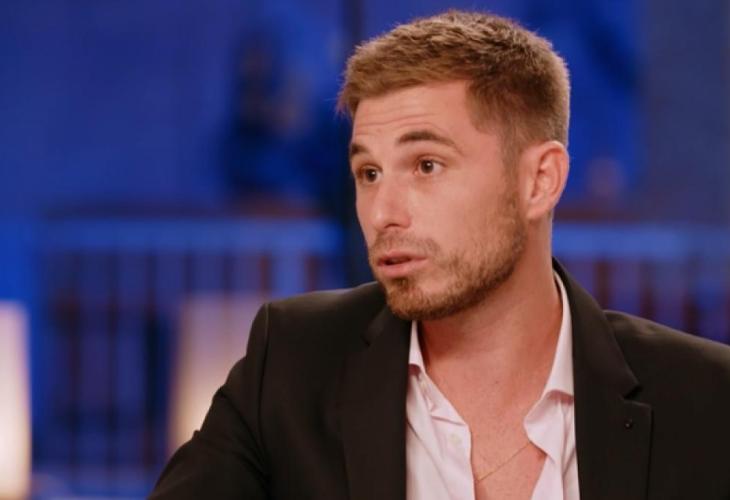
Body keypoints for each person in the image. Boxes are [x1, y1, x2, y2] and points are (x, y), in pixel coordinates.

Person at [150, 10, 730, 500]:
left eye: (426, 166)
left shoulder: (705, 398)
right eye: (368, 173)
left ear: (540, 180)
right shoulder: (291, 366)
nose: (383, 213)